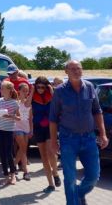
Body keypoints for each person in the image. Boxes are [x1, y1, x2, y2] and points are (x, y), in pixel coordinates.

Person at [50, 60, 109, 205]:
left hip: (89, 139)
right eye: (73, 69)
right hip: (68, 140)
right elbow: (53, 119)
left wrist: (103, 133)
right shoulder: (59, 91)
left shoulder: (89, 87)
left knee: (94, 176)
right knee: (70, 178)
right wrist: (53, 142)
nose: (77, 71)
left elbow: (97, 111)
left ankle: (79, 194)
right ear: (66, 72)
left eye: (79, 68)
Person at [32, 76, 61, 193]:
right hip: (38, 127)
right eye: (37, 87)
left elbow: (57, 105)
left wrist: (52, 90)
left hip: (50, 127)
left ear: (46, 87)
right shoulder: (33, 96)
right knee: (44, 157)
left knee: (51, 152)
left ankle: (55, 173)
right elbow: (28, 105)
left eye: (42, 87)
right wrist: (32, 92)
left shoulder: (51, 95)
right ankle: (50, 184)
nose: (40, 89)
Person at [0, 80, 20, 186]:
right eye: (1, 88)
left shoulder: (15, 103)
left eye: (2, 88)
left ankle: (13, 175)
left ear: (9, 90)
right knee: (1, 154)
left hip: (9, 131)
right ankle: (6, 176)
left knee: (8, 153)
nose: (0, 90)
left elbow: (19, 118)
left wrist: (9, 116)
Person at [14, 83, 33, 181]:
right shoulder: (16, 103)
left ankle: (13, 166)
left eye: (27, 91)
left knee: (22, 149)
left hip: (26, 129)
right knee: (23, 148)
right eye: (24, 91)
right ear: (19, 91)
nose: (26, 93)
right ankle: (26, 172)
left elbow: (30, 119)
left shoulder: (29, 103)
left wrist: (31, 130)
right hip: (17, 128)